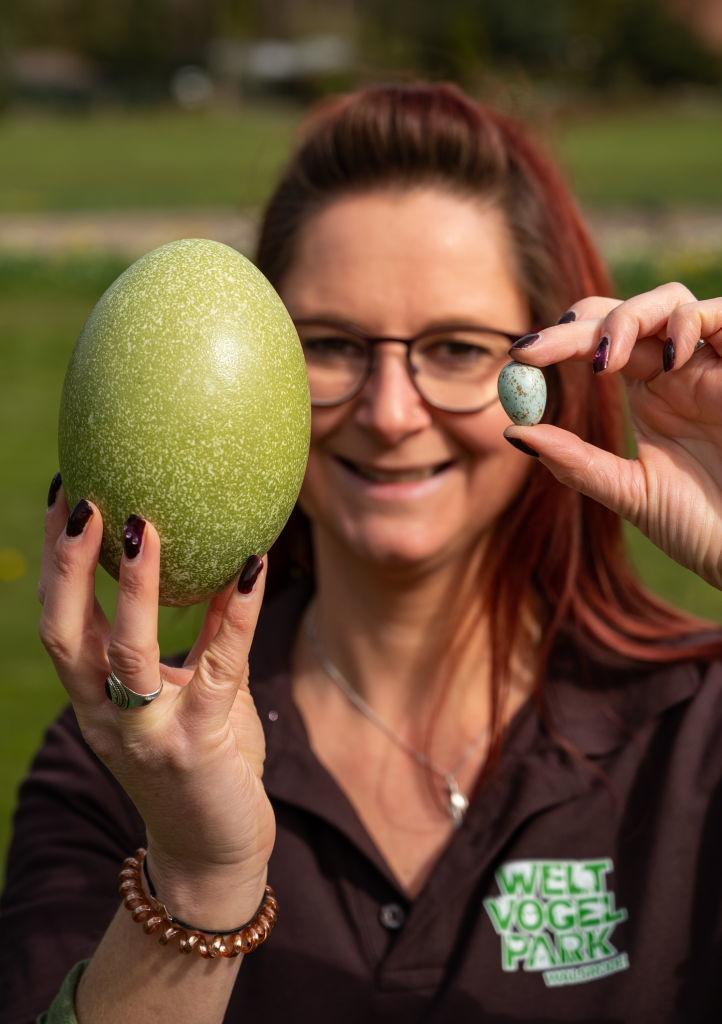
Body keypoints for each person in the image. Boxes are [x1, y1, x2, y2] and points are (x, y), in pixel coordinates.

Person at [2, 80, 722, 1024]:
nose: (389, 414)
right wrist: (196, 877)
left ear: (552, 366)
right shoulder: (138, 762)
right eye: (332, 345)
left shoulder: (696, 736)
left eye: (460, 348)